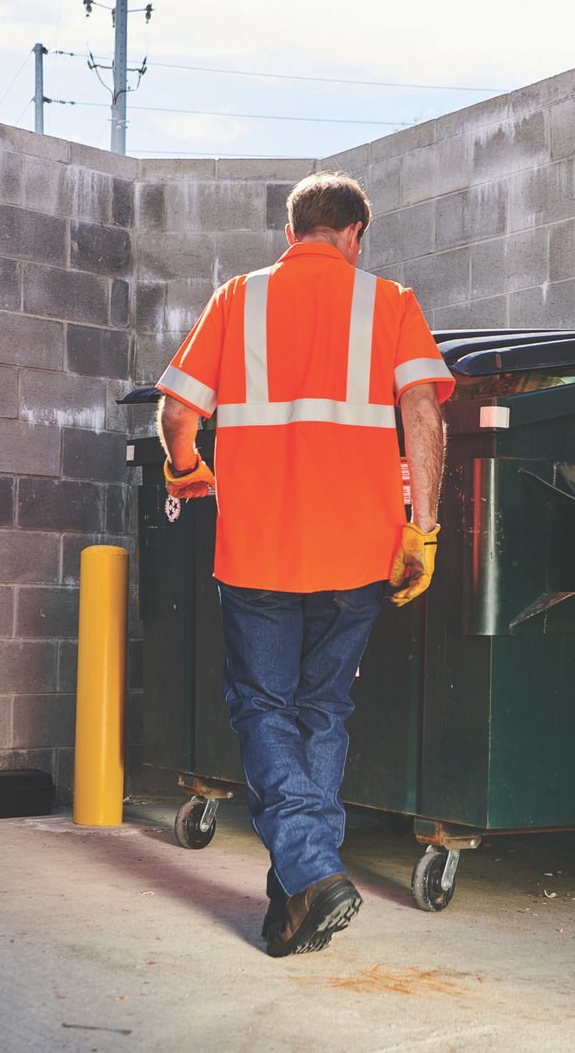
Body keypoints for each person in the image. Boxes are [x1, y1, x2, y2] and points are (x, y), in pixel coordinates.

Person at [155, 171, 452, 958]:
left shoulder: (237, 298)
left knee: (261, 707)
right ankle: (299, 894)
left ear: (292, 234)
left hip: (257, 549)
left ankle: (313, 874)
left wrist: (187, 468)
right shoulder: (391, 302)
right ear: (356, 233)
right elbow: (423, 411)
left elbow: (179, 411)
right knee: (322, 710)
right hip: (359, 551)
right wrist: (424, 528)